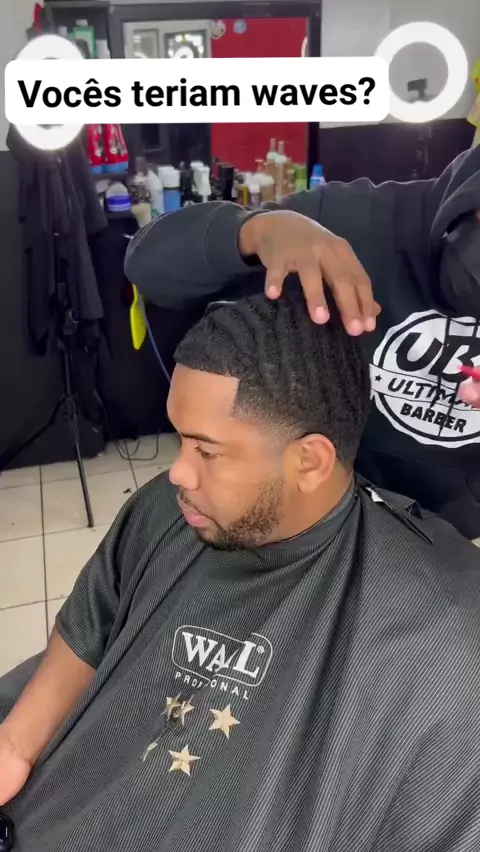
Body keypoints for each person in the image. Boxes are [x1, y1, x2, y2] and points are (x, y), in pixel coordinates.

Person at [1, 290, 480, 852]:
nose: (178, 473)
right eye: (179, 438)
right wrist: (15, 745)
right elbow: (91, 623)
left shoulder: (439, 635)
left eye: (206, 451)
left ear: (310, 462)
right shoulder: (164, 511)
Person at [125, 146, 480, 539]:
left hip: (454, 529)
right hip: (325, 510)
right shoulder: (355, 222)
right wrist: (253, 232)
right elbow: (147, 263)